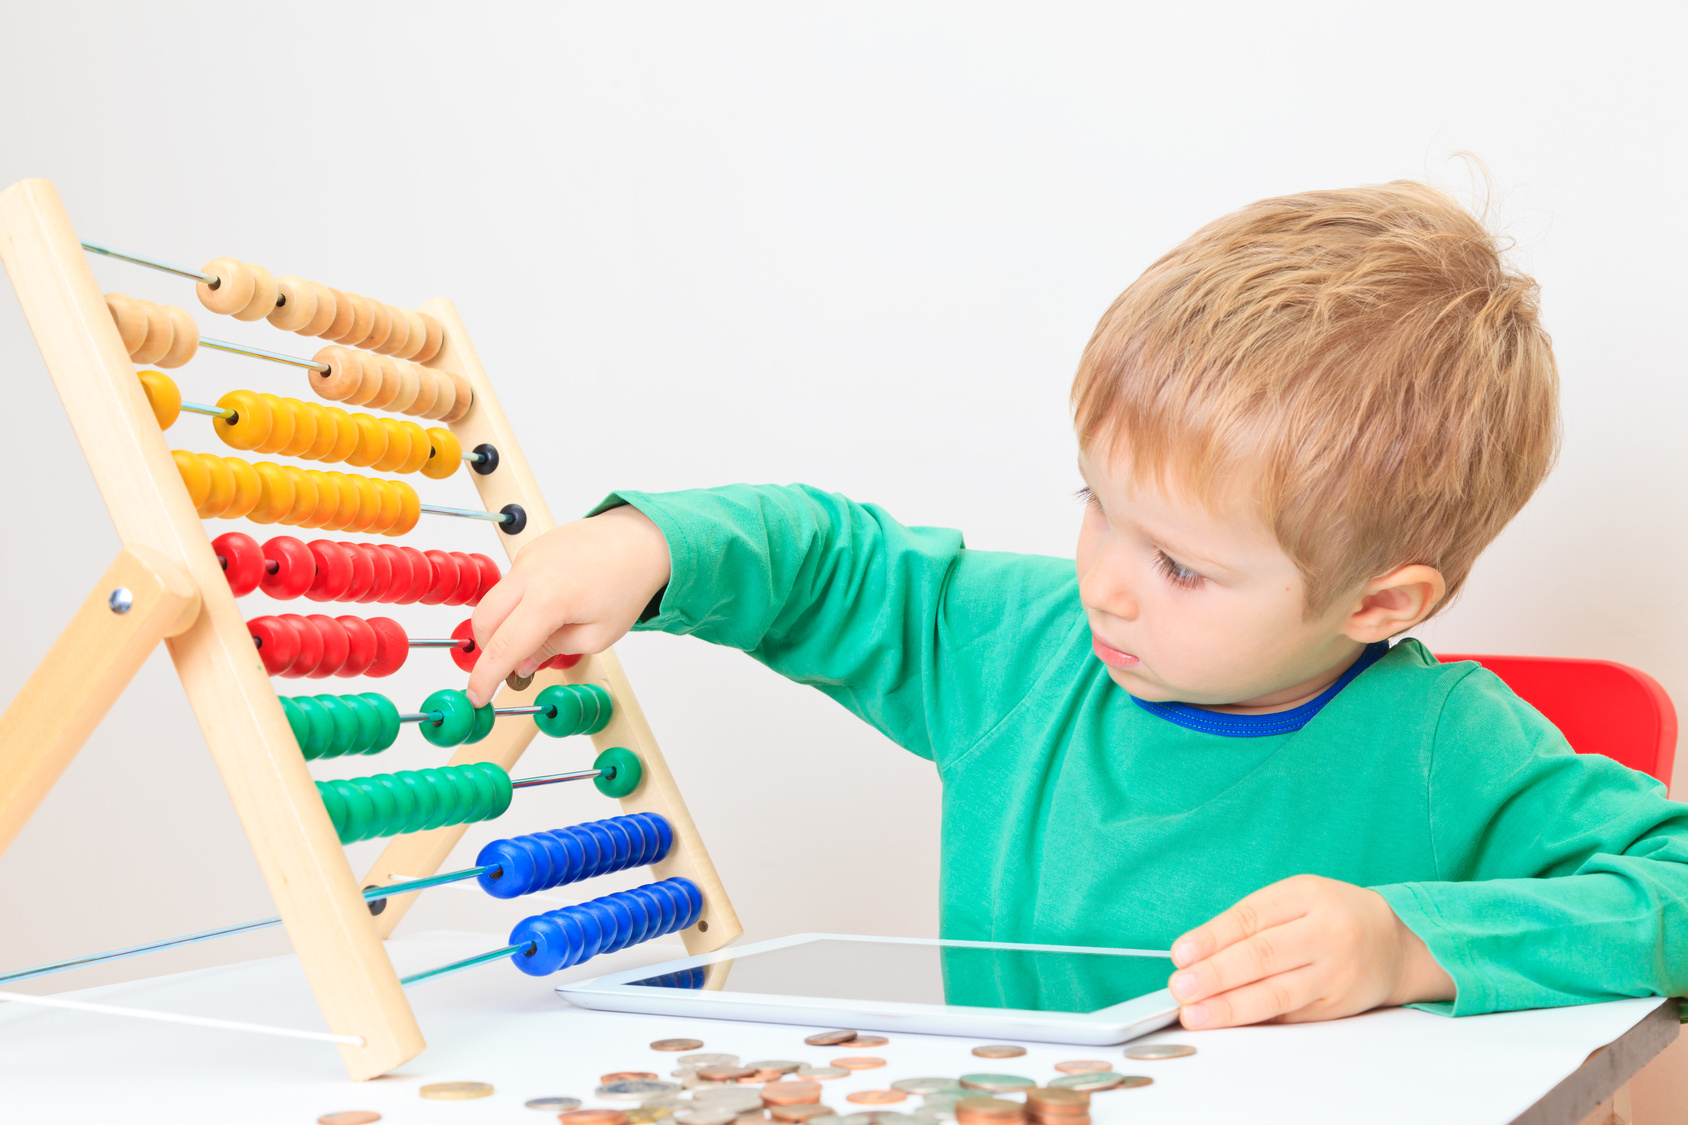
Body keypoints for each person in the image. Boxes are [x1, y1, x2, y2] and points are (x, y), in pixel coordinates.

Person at [464, 182, 1688, 1029]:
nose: (1103, 577)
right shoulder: (1022, 649)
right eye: (1094, 503)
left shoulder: (1442, 748)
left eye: (1181, 567)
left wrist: (1412, 948)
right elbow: (831, 562)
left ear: (1378, 602)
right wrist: (650, 546)